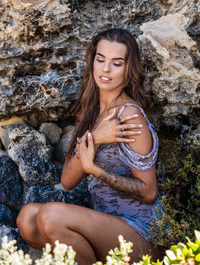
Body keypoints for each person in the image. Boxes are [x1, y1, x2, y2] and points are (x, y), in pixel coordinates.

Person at [17, 28, 165, 264]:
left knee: (51, 215)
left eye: (116, 63)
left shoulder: (129, 117)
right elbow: (67, 180)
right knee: (28, 218)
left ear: (129, 69)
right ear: (92, 61)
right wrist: (95, 138)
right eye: (100, 59)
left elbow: (148, 193)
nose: (105, 69)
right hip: (104, 229)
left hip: (142, 235)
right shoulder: (90, 113)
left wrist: (96, 171)